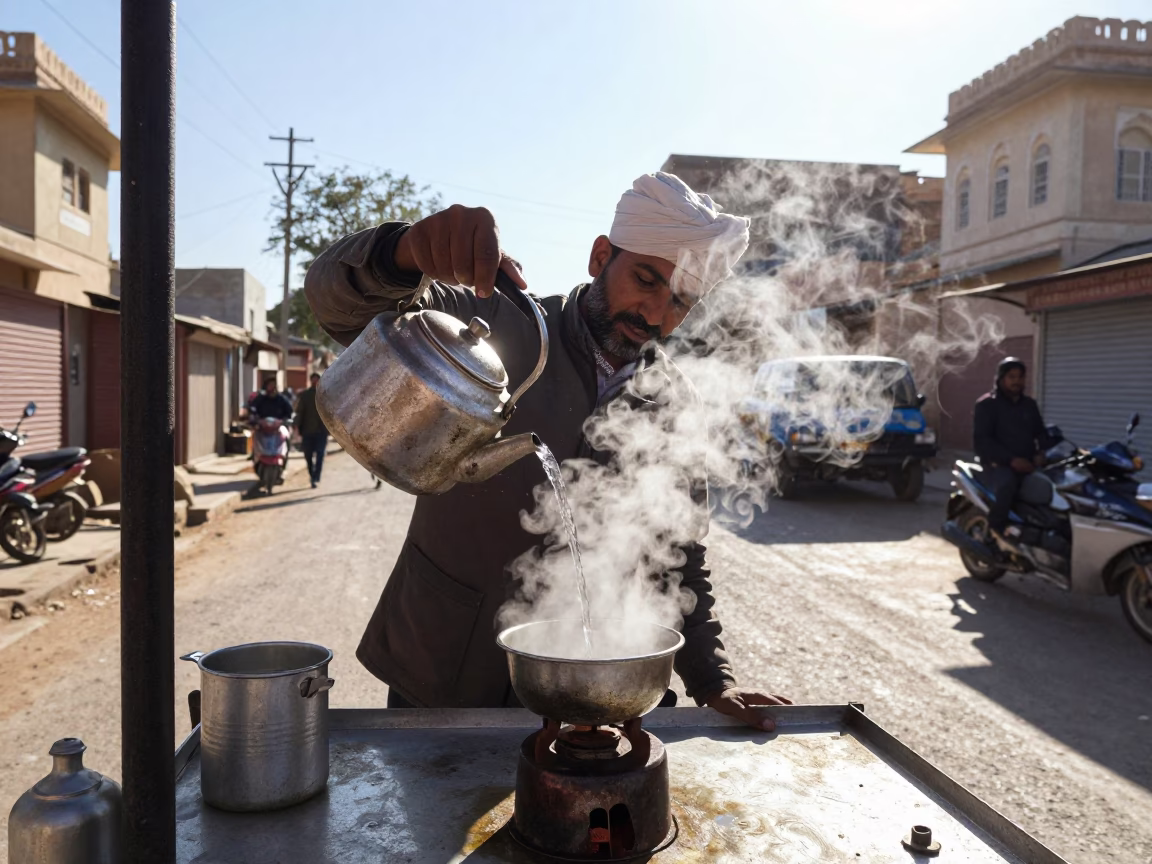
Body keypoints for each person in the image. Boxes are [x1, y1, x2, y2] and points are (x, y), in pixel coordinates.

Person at [304, 172, 791, 730]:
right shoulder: (501, 323)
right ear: (600, 256)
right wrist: (405, 250)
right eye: (647, 279)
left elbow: (678, 557)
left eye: (680, 301)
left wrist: (714, 683)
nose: (656, 314)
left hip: (586, 691)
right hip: (448, 664)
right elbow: (337, 303)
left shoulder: (675, 403)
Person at [973, 357, 1052, 545]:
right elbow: (982, 441)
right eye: (1012, 376)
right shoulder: (986, 405)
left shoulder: (1029, 405)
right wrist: (1011, 460)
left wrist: (1041, 452)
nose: (1017, 381)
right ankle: (995, 533)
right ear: (1001, 379)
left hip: (1028, 463)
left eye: (1020, 377)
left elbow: (1040, 432)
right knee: (1007, 485)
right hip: (998, 465)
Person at [294, 372, 329, 489]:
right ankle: (311, 474)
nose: (315, 382)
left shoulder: (326, 395)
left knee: (320, 454)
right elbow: (300, 412)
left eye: (317, 380)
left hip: (321, 431)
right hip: (307, 431)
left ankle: (316, 477)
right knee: (308, 456)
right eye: (313, 380)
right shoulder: (305, 396)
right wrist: (296, 427)